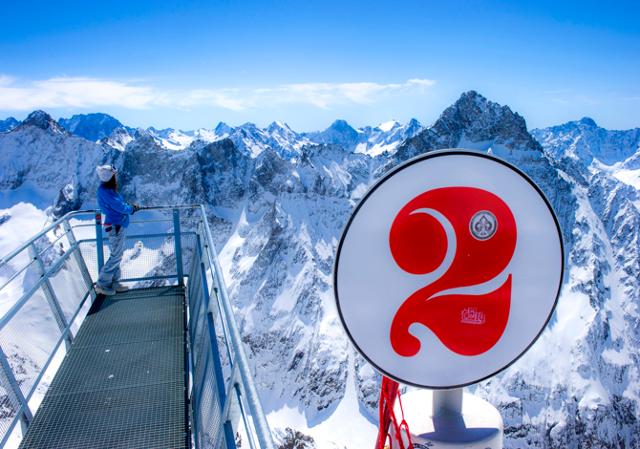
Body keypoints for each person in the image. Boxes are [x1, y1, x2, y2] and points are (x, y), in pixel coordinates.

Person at [95, 164, 140, 295]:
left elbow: (118, 205)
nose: (116, 177)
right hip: (116, 225)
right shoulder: (106, 191)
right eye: (114, 175)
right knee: (116, 256)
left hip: (116, 224)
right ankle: (102, 284)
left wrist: (129, 207)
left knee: (117, 255)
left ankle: (114, 283)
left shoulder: (106, 190)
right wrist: (132, 209)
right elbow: (119, 206)